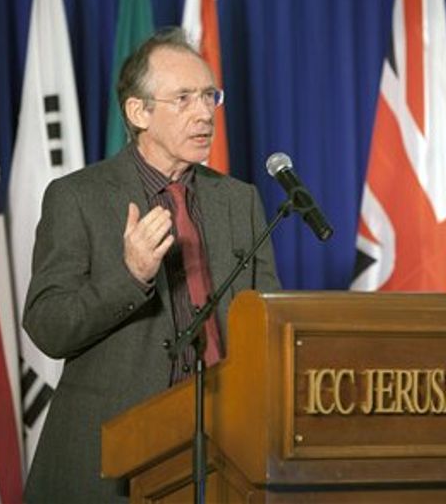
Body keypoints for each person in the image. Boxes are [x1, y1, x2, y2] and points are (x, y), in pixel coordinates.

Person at [22, 27, 280, 502]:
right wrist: (130, 276)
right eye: (183, 98)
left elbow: (267, 323)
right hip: (115, 460)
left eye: (209, 96)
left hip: (226, 453)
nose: (205, 113)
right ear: (138, 112)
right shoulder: (77, 198)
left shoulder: (239, 200)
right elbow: (47, 326)